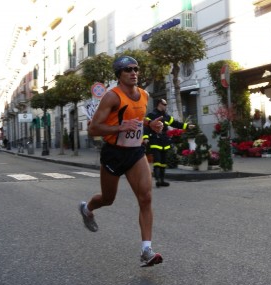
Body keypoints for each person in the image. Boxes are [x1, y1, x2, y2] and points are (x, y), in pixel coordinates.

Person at [79, 56, 164, 267]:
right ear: (119, 75)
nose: (133, 72)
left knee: (145, 197)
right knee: (108, 198)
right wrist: (120, 128)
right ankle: (87, 208)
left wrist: (150, 124)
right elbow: (94, 128)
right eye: (127, 70)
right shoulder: (111, 97)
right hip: (113, 153)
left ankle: (146, 250)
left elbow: (137, 117)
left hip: (135, 151)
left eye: (136, 68)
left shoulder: (144, 95)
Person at [143, 99, 194, 187]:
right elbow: (146, 127)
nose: (166, 106)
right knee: (157, 160)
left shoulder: (166, 116)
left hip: (164, 141)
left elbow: (175, 123)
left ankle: (162, 180)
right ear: (159, 104)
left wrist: (187, 126)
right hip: (155, 140)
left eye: (166, 104)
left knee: (163, 162)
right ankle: (158, 180)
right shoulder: (151, 115)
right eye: (164, 104)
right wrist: (146, 137)